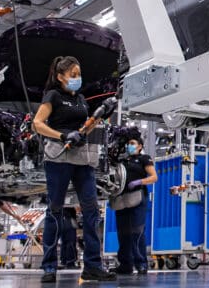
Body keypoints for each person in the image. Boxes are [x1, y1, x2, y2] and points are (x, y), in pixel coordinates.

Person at [33, 56, 116, 283]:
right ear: (60, 77)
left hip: (82, 158)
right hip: (58, 157)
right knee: (55, 210)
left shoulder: (80, 98)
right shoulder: (53, 96)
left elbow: (84, 129)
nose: (77, 78)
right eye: (73, 75)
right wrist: (62, 135)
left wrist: (101, 116)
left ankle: (92, 266)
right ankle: (49, 267)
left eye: (79, 74)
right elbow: (37, 123)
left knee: (90, 211)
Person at [114, 136, 157, 275]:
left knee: (136, 232)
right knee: (123, 233)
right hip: (121, 198)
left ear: (140, 146)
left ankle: (141, 263)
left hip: (138, 197)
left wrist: (139, 182)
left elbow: (154, 177)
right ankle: (125, 264)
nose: (129, 146)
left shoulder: (144, 158)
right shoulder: (122, 160)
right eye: (128, 143)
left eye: (132, 143)